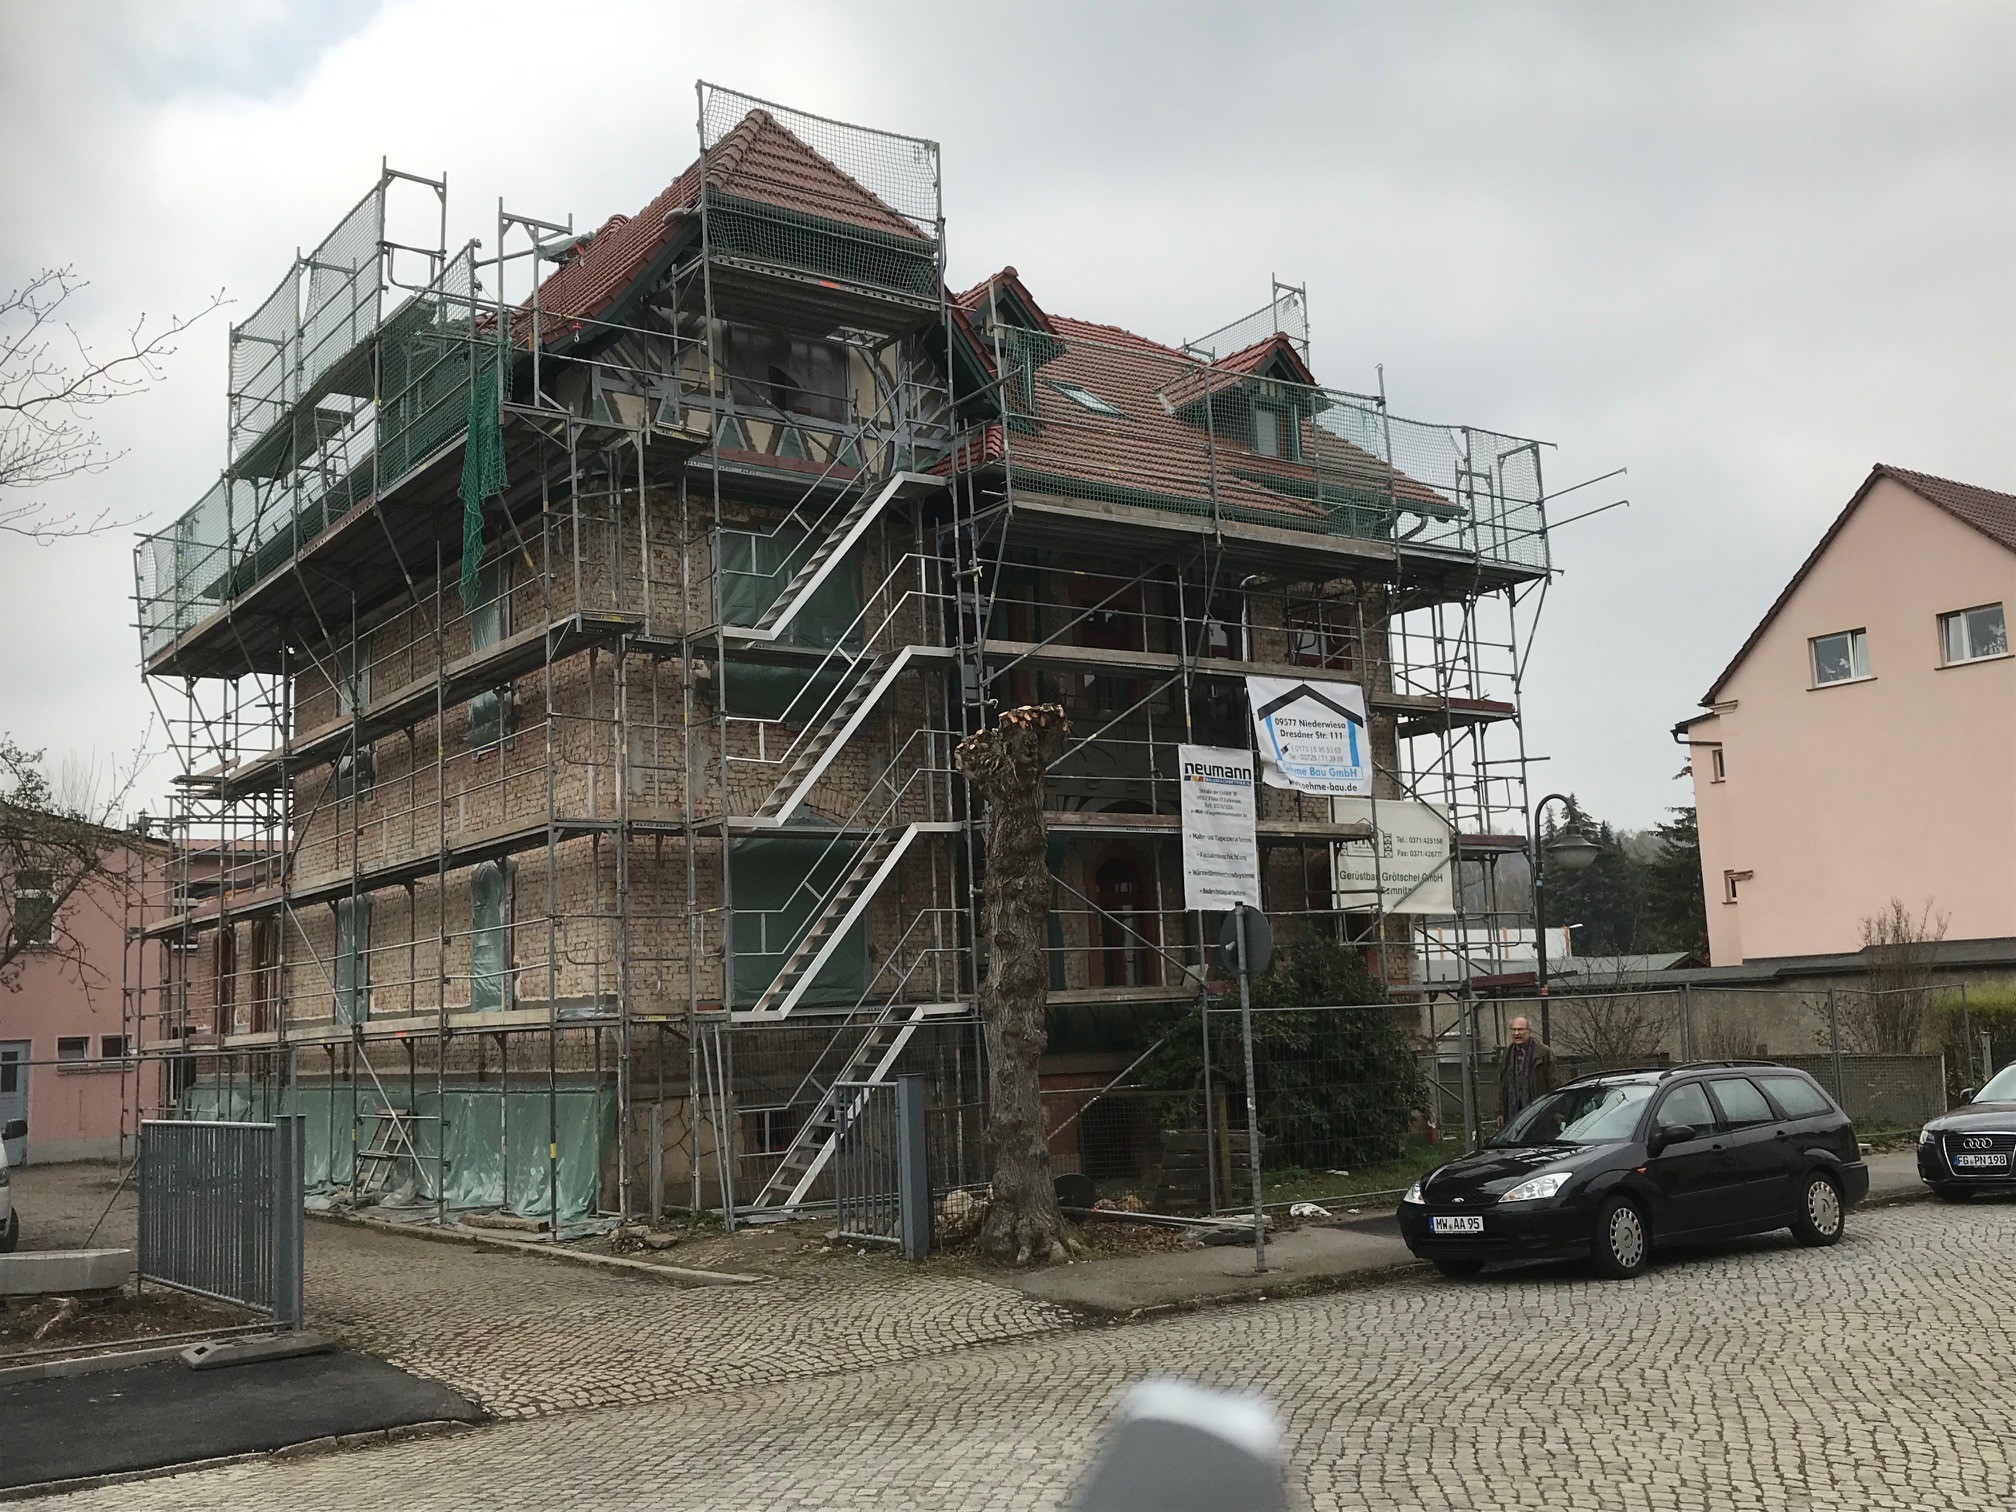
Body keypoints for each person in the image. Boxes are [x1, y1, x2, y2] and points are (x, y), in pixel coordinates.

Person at [1499, 1015, 1558, 1122]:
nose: (1517, 1033)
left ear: (1529, 1031)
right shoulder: (1507, 1053)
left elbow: (1554, 1083)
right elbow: (1502, 1084)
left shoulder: (1543, 1053)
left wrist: (1554, 1110)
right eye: (1514, 1030)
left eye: (1520, 1029)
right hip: (1513, 1111)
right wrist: (1500, 1111)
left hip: (1538, 1109)